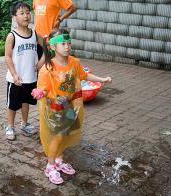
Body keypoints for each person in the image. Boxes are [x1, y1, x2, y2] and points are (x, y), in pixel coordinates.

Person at [33, 28, 112, 184]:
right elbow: (43, 87)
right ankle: (50, 165)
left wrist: (102, 79)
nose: (67, 46)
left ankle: (59, 160)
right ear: (53, 47)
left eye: (69, 43)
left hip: (70, 106)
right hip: (56, 107)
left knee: (67, 133)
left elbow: (84, 75)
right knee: (58, 136)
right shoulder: (48, 68)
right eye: (63, 43)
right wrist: (40, 92)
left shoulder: (74, 62)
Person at [4, 2, 44, 140]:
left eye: (28, 12)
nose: (26, 16)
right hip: (15, 78)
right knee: (13, 104)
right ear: (14, 17)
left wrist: (40, 62)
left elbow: (47, 48)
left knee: (26, 102)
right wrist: (14, 74)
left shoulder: (34, 34)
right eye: (21, 13)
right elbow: (7, 57)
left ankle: (25, 124)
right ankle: (10, 126)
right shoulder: (12, 36)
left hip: (30, 77)